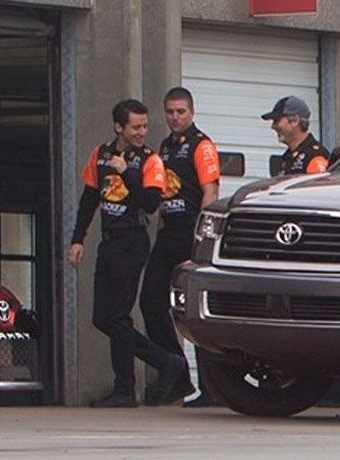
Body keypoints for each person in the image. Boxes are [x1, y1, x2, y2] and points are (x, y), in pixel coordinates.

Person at [68, 98, 188, 408]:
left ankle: (125, 389)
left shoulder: (150, 160)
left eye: (145, 126)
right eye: (135, 127)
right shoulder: (101, 154)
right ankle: (166, 362)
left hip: (133, 240)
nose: (141, 132)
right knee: (102, 319)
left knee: (119, 315)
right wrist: (77, 239)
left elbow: (150, 202)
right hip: (108, 241)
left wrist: (127, 173)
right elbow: (89, 199)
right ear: (118, 127)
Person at [262, 95, 340, 408]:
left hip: (311, 250)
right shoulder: (289, 157)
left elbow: (318, 202)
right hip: (290, 247)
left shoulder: (314, 158)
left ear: (296, 121)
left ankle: (335, 389)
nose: (275, 126)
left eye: (279, 119)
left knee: (317, 315)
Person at [139, 87, 219, 407]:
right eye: (170, 112)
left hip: (191, 234)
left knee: (195, 312)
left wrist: (201, 237)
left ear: (192, 112)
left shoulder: (202, 145)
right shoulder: (164, 147)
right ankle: (178, 377)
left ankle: (212, 388)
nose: (175, 117)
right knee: (150, 303)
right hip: (168, 233)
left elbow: (210, 191)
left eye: (181, 112)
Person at [262, 96, 330, 176]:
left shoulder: (315, 155)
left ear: (294, 121)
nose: (273, 126)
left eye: (277, 121)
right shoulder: (288, 156)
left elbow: (317, 187)